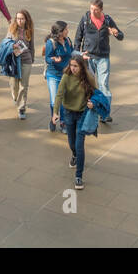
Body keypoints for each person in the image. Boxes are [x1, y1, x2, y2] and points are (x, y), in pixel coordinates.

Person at [74, 0, 123, 123]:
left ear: (101, 10)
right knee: (87, 85)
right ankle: (85, 110)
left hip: (103, 58)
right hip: (88, 57)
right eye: (91, 9)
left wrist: (116, 33)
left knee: (103, 85)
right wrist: (77, 54)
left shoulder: (107, 20)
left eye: (95, 10)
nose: (92, 11)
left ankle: (105, 113)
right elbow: (78, 37)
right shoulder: (85, 19)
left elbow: (121, 36)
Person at [52, 55, 96, 191]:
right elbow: (59, 94)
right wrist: (55, 112)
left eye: (76, 66)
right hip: (69, 113)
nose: (73, 68)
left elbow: (95, 94)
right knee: (72, 143)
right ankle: (75, 155)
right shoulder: (66, 76)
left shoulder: (88, 77)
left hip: (82, 114)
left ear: (82, 66)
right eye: (71, 65)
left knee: (79, 145)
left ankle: (79, 176)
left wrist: (92, 103)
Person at [42, 20, 72, 131]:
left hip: (65, 75)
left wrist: (80, 55)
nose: (68, 31)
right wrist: (54, 59)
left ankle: (63, 122)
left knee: (64, 101)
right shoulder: (51, 43)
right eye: (66, 30)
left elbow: (71, 53)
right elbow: (47, 58)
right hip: (53, 75)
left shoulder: (68, 40)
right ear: (60, 32)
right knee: (55, 101)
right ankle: (53, 119)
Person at [5, 9, 34, 120]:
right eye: (18, 18)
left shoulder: (29, 30)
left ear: (26, 19)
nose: (20, 21)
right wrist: (13, 47)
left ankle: (22, 108)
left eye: (22, 18)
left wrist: (31, 58)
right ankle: (15, 96)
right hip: (14, 60)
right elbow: (6, 43)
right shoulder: (12, 29)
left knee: (24, 86)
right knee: (14, 84)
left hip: (26, 60)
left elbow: (32, 45)